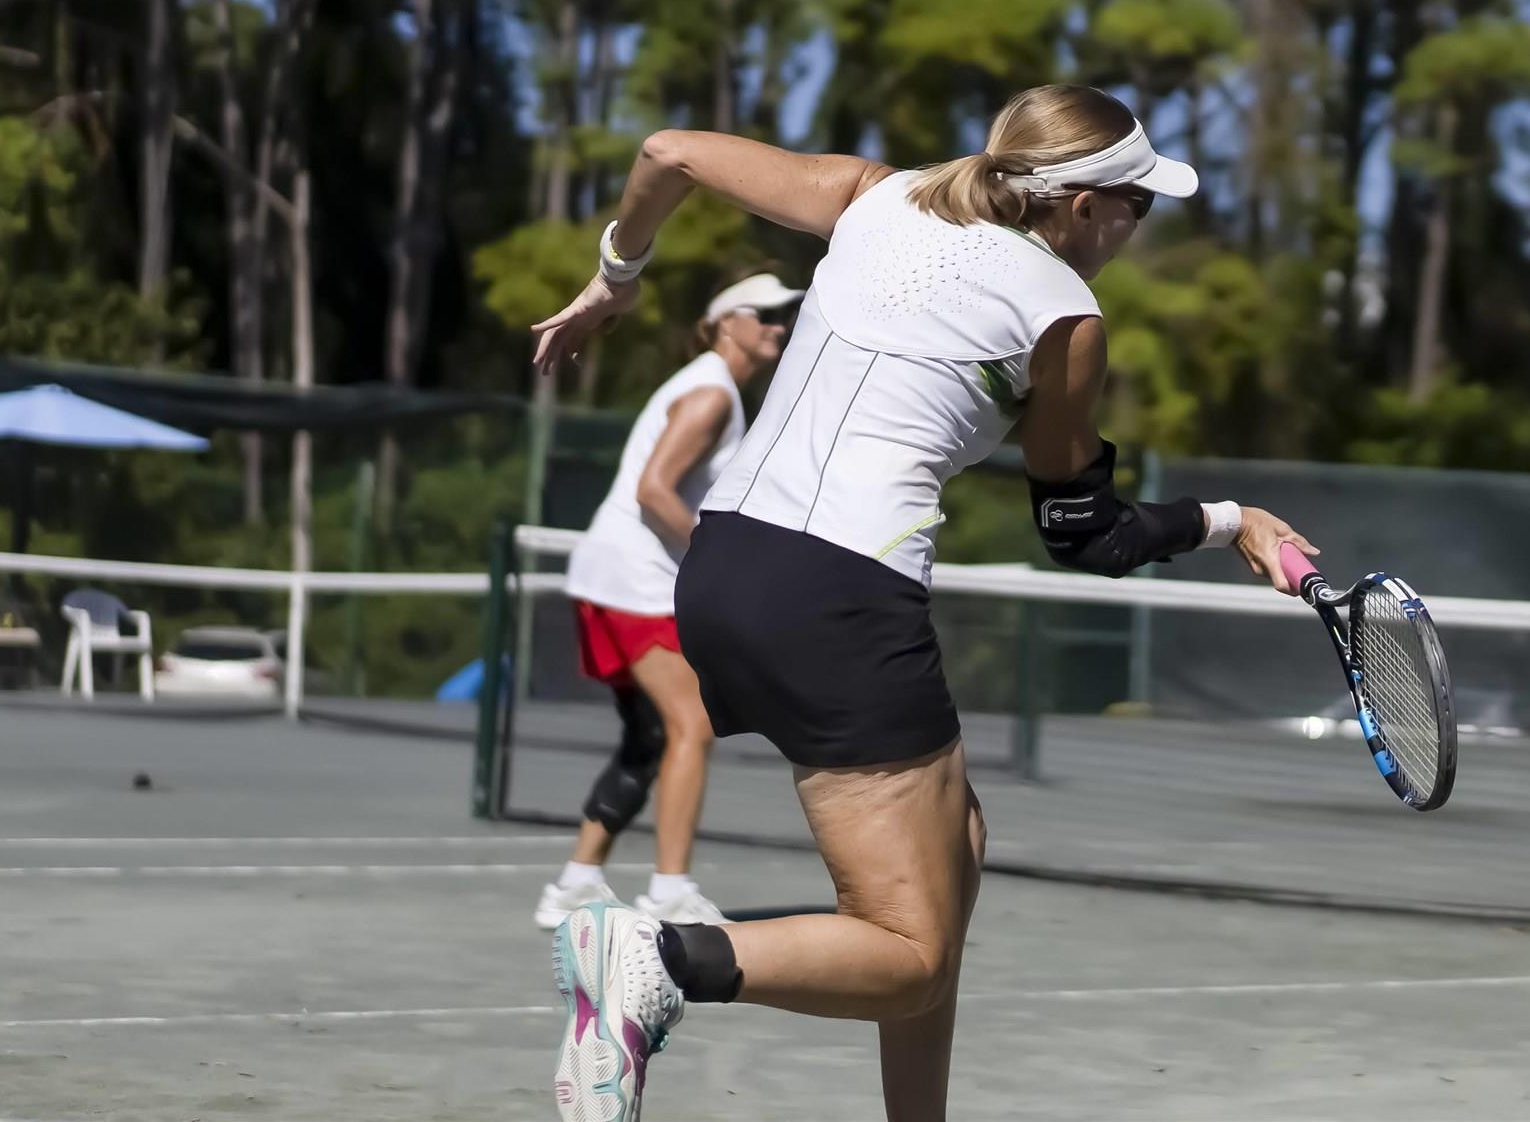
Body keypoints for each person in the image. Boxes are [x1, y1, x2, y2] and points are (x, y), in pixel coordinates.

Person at [526, 85, 1314, 1122]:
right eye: (1140, 204)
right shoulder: (1066, 317)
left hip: (721, 567)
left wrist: (615, 278)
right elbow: (1085, 531)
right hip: (838, 594)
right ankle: (657, 958)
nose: (1138, 225)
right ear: (1084, 207)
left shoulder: (875, 195)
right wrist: (1228, 519)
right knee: (909, 957)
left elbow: (669, 151)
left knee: (956, 851)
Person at [534, 272, 801, 933]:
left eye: (785, 314)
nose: (778, 325)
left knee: (650, 735)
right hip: (634, 578)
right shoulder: (710, 395)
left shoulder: (715, 389)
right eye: (765, 313)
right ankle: (670, 891)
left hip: (616, 575)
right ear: (725, 323)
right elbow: (655, 490)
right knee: (693, 726)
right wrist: (719, 566)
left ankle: (576, 883)